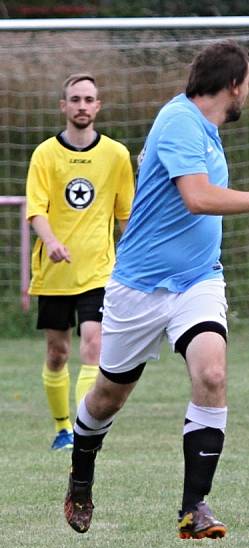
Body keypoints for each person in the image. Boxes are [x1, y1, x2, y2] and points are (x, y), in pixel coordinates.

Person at [62, 41, 249, 539]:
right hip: (139, 286)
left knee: (212, 373)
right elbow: (196, 198)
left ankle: (193, 509)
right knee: (108, 395)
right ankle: (81, 472)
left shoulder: (204, 130)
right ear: (233, 84)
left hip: (197, 279)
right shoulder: (179, 120)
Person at [26, 73, 134, 452]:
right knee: (58, 353)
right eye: (75, 99)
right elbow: (35, 210)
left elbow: (126, 216)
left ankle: (84, 433)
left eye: (89, 99)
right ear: (64, 106)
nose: (82, 106)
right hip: (55, 273)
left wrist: (136, 260)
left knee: (94, 345)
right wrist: (52, 241)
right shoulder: (45, 154)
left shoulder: (116, 155)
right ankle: (61, 427)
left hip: (98, 271)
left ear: (98, 106)